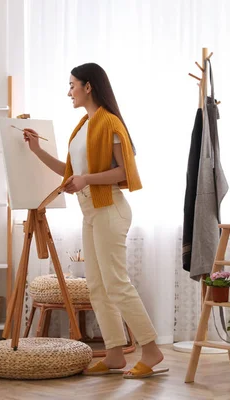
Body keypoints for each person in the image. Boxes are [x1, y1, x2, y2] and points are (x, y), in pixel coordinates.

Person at [23, 63, 167, 379]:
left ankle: (152, 350)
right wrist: (36, 151)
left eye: (72, 84)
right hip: (91, 213)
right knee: (98, 289)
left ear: (88, 87)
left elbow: (123, 172)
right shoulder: (82, 126)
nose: (69, 91)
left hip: (110, 210)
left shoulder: (110, 123)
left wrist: (86, 179)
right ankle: (115, 353)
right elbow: (70, 172)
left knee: (116, 283)